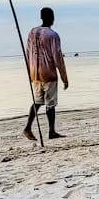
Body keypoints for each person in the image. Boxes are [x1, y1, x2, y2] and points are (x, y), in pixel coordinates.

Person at [24, 7, 68, 141]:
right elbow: (57, 57)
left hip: (35, 73)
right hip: (48, 72)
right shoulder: (52, 35)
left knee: (37, 101)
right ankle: (51, 131)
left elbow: (28, 53)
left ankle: (28, 127)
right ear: (52, 18)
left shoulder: (32, 32)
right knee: (50, 103)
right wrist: (64, 77)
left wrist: (30, 71)